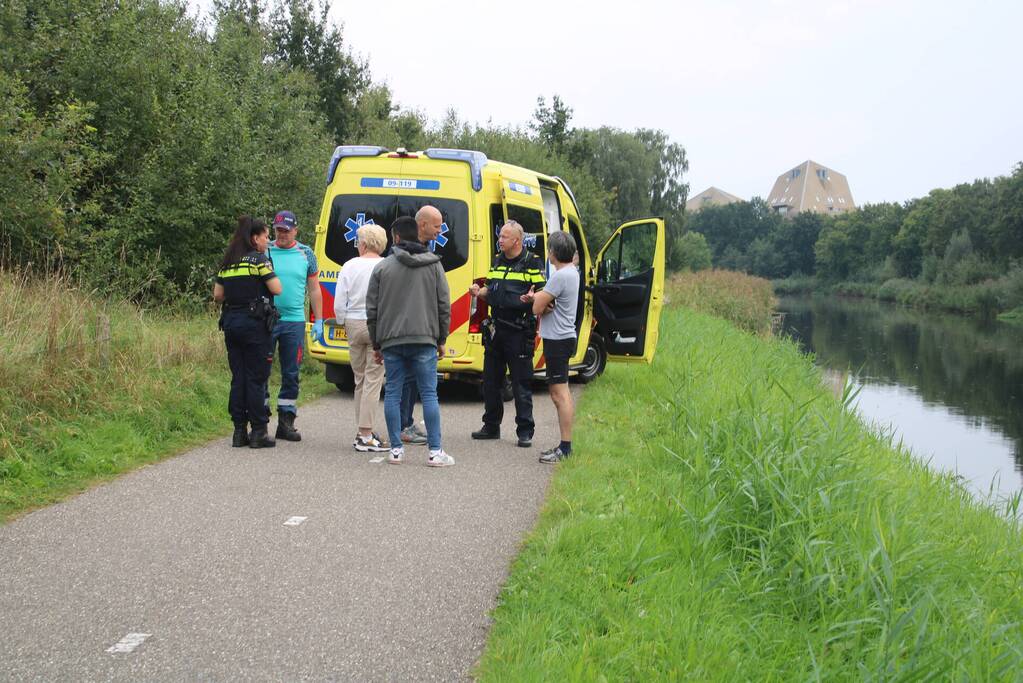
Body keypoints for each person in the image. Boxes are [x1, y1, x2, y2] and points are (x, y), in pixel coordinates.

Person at [366, 216, 454, 467]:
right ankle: (435, 452)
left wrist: (376, 344)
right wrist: (441, 338)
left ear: (395, 238)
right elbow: (443, 305)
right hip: (424, 338)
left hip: (392, 340)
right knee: (429, 394)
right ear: (417, 234)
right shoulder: (434, 265)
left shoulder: (382, 268)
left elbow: (371, 309)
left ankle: (395, 450)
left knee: (392, 393)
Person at [469, 221, 546, 447]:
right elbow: (491, 290)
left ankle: (525, 431)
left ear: (517, 241)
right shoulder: (497, 260)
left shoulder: (532, 262)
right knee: (491, 381)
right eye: (500, 236)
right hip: (496, 329)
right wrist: (479, 292)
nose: (500, 240)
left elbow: (543, 295)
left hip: (519, 330)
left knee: (521, 383)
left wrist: (533, 299)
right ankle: (491, 425)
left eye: (504, 237)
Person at [213, 216, 282, 449]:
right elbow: (277, 289)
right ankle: (259, 432)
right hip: (255, 326)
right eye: (265, 236)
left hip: (232, 323)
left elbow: (218, 295)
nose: (268, 240)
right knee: (256, 378)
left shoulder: (228, 262)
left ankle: (239, 431)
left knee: (238, 377)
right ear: (254, 238)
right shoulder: (259, 261)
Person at [521, 231, 580, 463]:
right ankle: (564, 446)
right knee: (561, 392)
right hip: (564, 336)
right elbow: (546, 304)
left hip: (557, 339)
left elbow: (537, 309)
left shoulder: (559, 277)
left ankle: (565, 448)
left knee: (559, 394)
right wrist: (542, 301)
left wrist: (535, 300)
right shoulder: (571, 272)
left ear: (552, 252)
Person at [266, 210, 323, 442]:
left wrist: (318, 319)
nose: (282, 235)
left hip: (294, 322)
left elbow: (314, 289)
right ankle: (260, 421)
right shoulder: (265, 250)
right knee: (261, 370)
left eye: (286, 231)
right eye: (278, 230)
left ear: (295, 231)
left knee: (291, 372)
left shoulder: (306, 254)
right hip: (266, 320)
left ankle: (286, 422)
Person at [334, 223, 389, 452]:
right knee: (374, 379)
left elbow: (340, 299)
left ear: (364, 244)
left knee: (359, 379)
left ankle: (362, 430)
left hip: (353, 323)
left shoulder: (349, 265)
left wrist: (341, 321)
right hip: (377, 324)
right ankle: (366, 434)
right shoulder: (386, 266)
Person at [399, 205, 445, 446]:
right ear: (423, 224)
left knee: (408, 380)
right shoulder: (408, 251)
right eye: (437, 225)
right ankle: (403, 426)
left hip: (406, 326)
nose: (440, 230)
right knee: (409, 382)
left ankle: (404, 424)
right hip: (413, 326)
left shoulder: (415, 249)